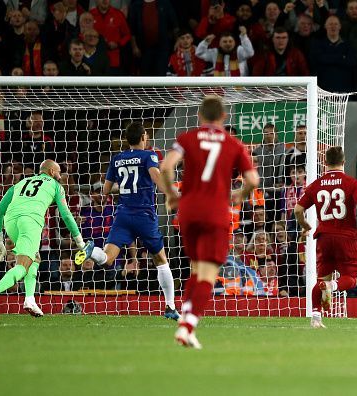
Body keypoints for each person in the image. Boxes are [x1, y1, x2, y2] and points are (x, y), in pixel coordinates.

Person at [158, 95, 259, 349]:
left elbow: (167, 166)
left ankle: (186, 323)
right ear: (223, 117)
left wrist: (172, 195)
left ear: (200, 116)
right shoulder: (233, 144)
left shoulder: (187, 138)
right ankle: (187, 326)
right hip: (215, 211)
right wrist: (240, 195)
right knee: (208, 274)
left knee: (195, 269)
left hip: (189, 210)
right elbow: (253, 180)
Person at [78, 122, 179, 321]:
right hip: (144, 215)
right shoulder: (148, 155)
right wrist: (170, 192)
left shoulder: (116, 159)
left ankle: (92, 250)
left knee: (108, 258)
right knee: (160, 260)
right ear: (143, 137)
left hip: (123, 215)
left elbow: (105, 191)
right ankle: (170, 306)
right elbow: (155, 175)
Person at [0, 160, 87, 316]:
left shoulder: (22, 182)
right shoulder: (56, 186)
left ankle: (30, 299)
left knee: (35, 258)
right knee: (23, 264)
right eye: (58, 172)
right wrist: (80, 241)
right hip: (31, 222)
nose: (60, 176)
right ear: (50, 172)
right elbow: (66, 215)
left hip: (10, 222)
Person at [294, 146, 357, 329]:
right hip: (346, 237)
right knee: (352, 276)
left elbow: (298, 210)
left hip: (324, 238)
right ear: (343, 162)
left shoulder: (316, 184)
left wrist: (305, 226)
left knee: (321, 278)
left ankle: (315, 318)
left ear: (325, 163)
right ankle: (333, 286)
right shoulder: (351, 183)